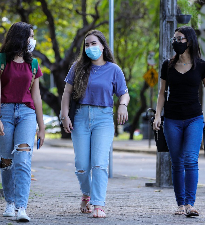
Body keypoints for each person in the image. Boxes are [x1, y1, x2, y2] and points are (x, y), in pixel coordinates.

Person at [152, 26, 205, 217]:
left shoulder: (202, 66)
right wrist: (158, 115)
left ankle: (190, 204)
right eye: (174, 39)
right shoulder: (167, 65)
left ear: (190, 41)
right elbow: (162, 93)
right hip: (172, 120)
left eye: (180, 39)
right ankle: (181, 204)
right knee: (177, 162)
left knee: (190, 160)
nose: (176, 42)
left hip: (194, 118)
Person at [60, 30, 130, 218]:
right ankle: (86, 194)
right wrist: (64, 114)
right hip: (80, 116)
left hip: (104, 118)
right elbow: (67, 93)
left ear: (103, 46)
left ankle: (99, 204)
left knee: (99, 164)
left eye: (94, 44)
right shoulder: (77, 68)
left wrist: (122, 105)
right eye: (87, 44)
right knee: (82, 165)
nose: (90, 47)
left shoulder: (114, 69)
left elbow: (124, 93)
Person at [0, 22, 45, 222]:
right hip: (4, 112)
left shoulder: (33, 64)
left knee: (22, 159)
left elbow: (36, 96)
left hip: (27, 114)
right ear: (20, 37)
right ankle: (9, 202)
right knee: (7, 160)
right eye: (30, 36)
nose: (32, 40)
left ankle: (21, 207)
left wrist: (42, 127)